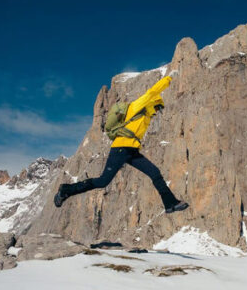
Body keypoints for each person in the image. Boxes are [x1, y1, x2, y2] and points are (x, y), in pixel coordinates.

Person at [53, 71, 189, 214]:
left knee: (155, 173)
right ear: (153, 103)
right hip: (120, 149)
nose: (157, 112)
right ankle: (65, 190)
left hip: (131, 151)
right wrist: (169, 79)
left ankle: (170, 204)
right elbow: (151, 92)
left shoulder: (146, 117)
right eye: (157, 107)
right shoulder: (137, 107)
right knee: (103, 181)